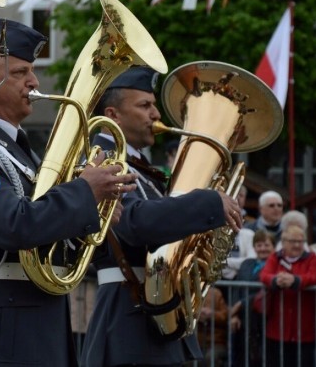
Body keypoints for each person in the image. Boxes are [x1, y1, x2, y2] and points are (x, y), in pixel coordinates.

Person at [0, 18, 133, 367]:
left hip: (37, 317)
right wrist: (85, 192)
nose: (35, 81)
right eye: (20, 72)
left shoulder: (21, 150)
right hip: (1, 321)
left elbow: (48, 230)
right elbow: (16, 226)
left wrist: (94, 214)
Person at [80, 66, 243, 367]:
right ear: (113, 115)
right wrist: (207, 204)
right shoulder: (100, 160)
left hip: (154, 311)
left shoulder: (141, 167)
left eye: (154, 105)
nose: (156, 114)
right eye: (144, 105)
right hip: (127, 314)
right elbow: (132, 223)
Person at [259, 223, 316, 367]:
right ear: (284, 243)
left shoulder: (312, 258)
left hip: (304, 328)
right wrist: (276, 279)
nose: (297, 245)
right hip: (278, 327)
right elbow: (264, 275)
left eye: (301, 241)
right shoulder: (275, 257)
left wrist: (296, 280)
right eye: (293, 241)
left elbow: (315, 276)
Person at [228, 229, 275, 367]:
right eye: (259, 245)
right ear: (254, 247)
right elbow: (237, 289)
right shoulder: (246, 264)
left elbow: (268, 292)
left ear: (273, 246)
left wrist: (242, 303)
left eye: (267, 245)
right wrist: (234, 315)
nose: (263, 249)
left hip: (265, 319)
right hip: (244, 318)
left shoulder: (276, 265)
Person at [194, 286, 228, 367]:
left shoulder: (216, 293)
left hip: (216, 342)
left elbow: (225, 317)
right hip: (196, 343)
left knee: (211, 357)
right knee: (189, 358)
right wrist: (195, 315)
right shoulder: (189, 292)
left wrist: (212, 314)